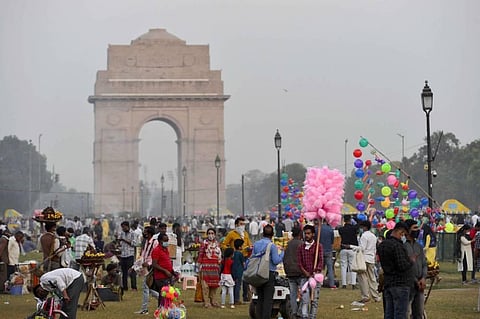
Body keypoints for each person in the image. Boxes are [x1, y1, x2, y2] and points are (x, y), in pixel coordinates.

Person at [377, 222, 413, 319]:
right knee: (400, 314)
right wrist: (411, 261)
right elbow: (402, 266)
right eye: (404, 234)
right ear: (400, 232)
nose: (404, 237)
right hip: (400, 284)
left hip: (388, 283)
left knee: (389, 313)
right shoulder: (397, 246)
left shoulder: (382, 245)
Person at [252, 224, 284, 319]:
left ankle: (259, 316)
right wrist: (282, 253)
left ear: (263, 233)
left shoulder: (256, 244)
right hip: (269, 273)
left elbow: (253, 257)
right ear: (272, 234)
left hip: (258, 273)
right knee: (268, 299)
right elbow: (276, 260)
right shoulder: (272, 246)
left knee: (260, 297)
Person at [221, 217, 252, 302]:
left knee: (246, 278)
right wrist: (231, 251)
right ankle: (236, 298)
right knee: (237, 278)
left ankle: (246, 296)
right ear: (236, 225)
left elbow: (249, 244)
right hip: (235, 258)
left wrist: (249, 248)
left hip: (245, 257)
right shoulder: (231, 234)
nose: (242, 226)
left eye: (243, 224)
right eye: (241, 224)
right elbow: (223, 245)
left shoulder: (245, 234)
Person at [297, 224, 323, 319]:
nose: (306, 235)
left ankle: (312, 317)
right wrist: (305, 273)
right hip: (304, 278)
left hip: (315, 278)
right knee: (305, 299)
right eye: (305, 233)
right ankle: (305, 316)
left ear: (313, 234)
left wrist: (315, 271)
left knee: (314, 300)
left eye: (308, 233)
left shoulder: (318, 247)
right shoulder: (301, 247)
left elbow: (320, 261)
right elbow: (299, 263)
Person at [404, 219, 427, 319]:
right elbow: (406, 267)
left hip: (420, 284)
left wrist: (423, 278)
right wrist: (415, 281)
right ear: (407, 231)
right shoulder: (403, 247)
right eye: (414, 228)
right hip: (409, 284)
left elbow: (424, 264)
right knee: (406, 311)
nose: (417, 230)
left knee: (419, 312)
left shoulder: (419, 246)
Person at [354, 220, 381, 304]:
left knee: (362, 277)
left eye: (362, 227)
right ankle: (376, 296)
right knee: (372, 278)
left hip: (364, 258)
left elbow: (362, 248)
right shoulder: (373, 236)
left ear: (365, 227)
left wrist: (352, 247)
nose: (361, 228)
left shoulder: (364, 236)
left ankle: (365, 296)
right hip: (371, 258)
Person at [135, 226, 159, 315]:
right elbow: (144, 253)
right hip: (145, 266)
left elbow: (156, 255)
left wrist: (149, 264)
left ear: (149, 233)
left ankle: (144, 309)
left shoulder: (155, 242)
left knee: (146, 287)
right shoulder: (146, 242)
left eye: (145, 232)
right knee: (148, 287)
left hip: (151, 267)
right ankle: (161, 298)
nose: (143, 233)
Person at [198, 227, 222, 308]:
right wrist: (199, 265)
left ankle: (213, 301)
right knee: (205, 285)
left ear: (215, 235)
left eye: (212, 233)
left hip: (215, 267)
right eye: (209, 233)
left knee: (214, 285)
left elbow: (219, 256)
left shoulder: (217, 244)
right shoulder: (204, 243)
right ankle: (206, 302)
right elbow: (201, 254)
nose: (210, 235)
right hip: (206, 267)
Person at [283, 226, 303, 317]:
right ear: (300, 234)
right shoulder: (302, 244)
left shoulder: (288, 244)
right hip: (300, 272)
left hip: (290, 272)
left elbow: (285, 258)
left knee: (293, 294)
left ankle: (294, 312)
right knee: (304, 294)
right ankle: (300, 312)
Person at [151, 233, 174, 306]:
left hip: (167, 276)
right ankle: (161, 311)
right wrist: (165, 270)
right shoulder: (156, 250)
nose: (167, 242)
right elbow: (154, 264)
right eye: (165, 240)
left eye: (167, 240)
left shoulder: (165, 249)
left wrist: (172, 272)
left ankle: (166, 310)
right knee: (163, 296)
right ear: (160, 241)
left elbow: (167, 261)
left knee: (168, 295)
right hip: (160, 277)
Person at [338, 215, 358, 289]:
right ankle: (353, 283)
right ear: (350, 220)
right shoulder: (354, 228)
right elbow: (357, 226)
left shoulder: (341, 229)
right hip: (352, 248)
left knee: (343, 266)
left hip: (343, 248)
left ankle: (344, 284)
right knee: (353, 266)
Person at [118, 221, 137, 291]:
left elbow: (134, 244)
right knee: (124, 272)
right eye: (122, 227)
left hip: (130, 255)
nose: (122, 229)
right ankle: (125, 287)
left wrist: (124, 240)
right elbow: (120, 243)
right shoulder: (122, 233)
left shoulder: (133, 233)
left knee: (131, 271)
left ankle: (134, 287)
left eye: (124, 227)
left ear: (127, 226)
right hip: (123, 255)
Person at [319, 220, 336, 289]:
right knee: (330, 268)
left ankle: (319, 282)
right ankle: (332, 284)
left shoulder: (318, 229)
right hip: (328, 250)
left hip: (320, 250)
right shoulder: (330, 230)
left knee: (319, 268)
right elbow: (332, 241)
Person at [232, 238, 245, 305]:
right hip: (239, 272)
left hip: (233, 271)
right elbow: (243, 263)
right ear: (240, 247)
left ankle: (234, 298)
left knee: (234, 285)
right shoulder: (240, 254)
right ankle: (236, 299)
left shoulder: (233, 253)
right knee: (238, 286)